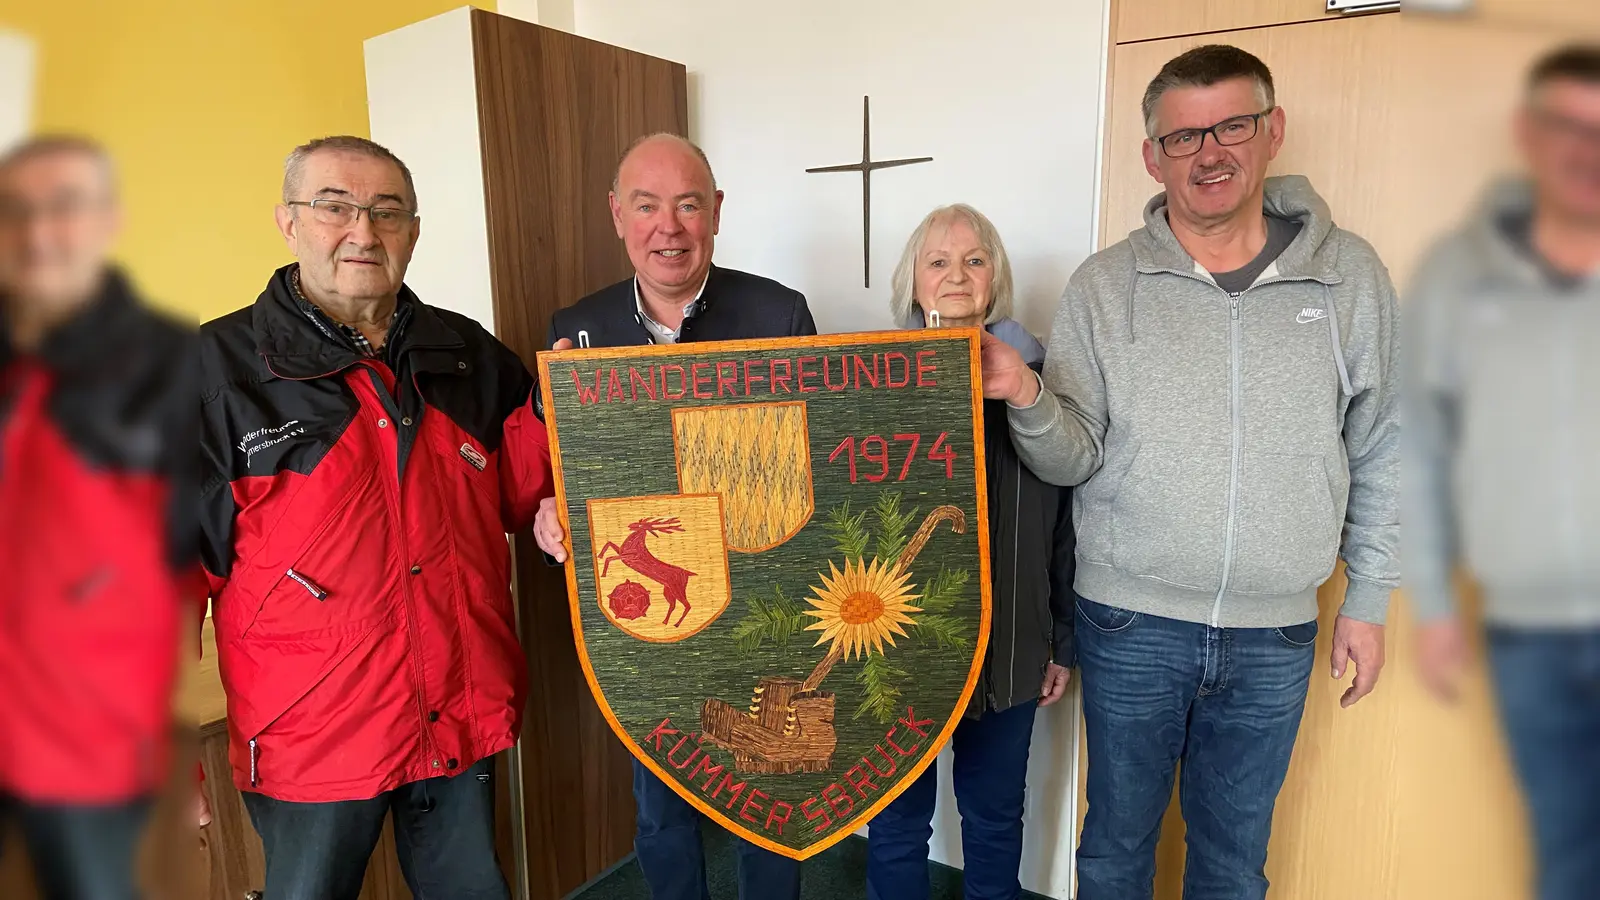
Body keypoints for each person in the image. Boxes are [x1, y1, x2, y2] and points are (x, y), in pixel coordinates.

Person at [980, 45, 1399, 900]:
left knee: (1233, 863)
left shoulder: (1348, 276)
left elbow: (1382, 444)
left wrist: (1368, 597)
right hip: (1130, 624)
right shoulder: (1105, 286)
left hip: (1276, 634)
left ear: (1271, 131)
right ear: (1152, 156)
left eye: (1231, 126)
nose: (1210, 152)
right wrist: (1024, 391)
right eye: (1183, 137)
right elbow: (1074, 455)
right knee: (1114, 852)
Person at [198, 135, 555, 900]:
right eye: (334, 207)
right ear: (288, 222)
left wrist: (569, 422)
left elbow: (520, 494)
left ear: (413, 231)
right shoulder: (213, 375)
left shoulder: (467, 355)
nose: (363, 231)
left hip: (454, 712)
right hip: (311, 735)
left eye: (387, 212)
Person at [533, 132, 815, 900]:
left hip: (760, 603)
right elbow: (561, 465)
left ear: (716, 213)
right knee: (660, 806)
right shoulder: (576, 329)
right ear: (617, 215)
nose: (670, 226)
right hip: (650, 625)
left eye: (689, 204)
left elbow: (812, 460)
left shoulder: (777, 312)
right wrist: (547, 506)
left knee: (768, 799)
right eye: (649, 206)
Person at [1406, 45, 1600, 900]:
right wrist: (1436, 603)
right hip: (1530, 631)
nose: (1584, 149)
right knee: (1568, 858)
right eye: (1566, 125)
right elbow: (1420, 444)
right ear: (1527, 133)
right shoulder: (1459, 271)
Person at [0, 135, 194, 900]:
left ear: (108, 220)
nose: (41, 231)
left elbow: (190, 558)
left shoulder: (169, 361)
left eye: (66, 207)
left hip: (92, 738)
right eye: (18, 211)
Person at [864, 204, 1074, 900]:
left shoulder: (1038, 382)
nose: (957, 274)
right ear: (914, 284)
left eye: (974, 260)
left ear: (995, 280)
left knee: (992, 818)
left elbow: (1068, 521)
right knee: (896, 821)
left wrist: (1062, 641)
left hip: (1009, 646)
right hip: (898, 652)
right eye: (938, 261)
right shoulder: (871, 386)